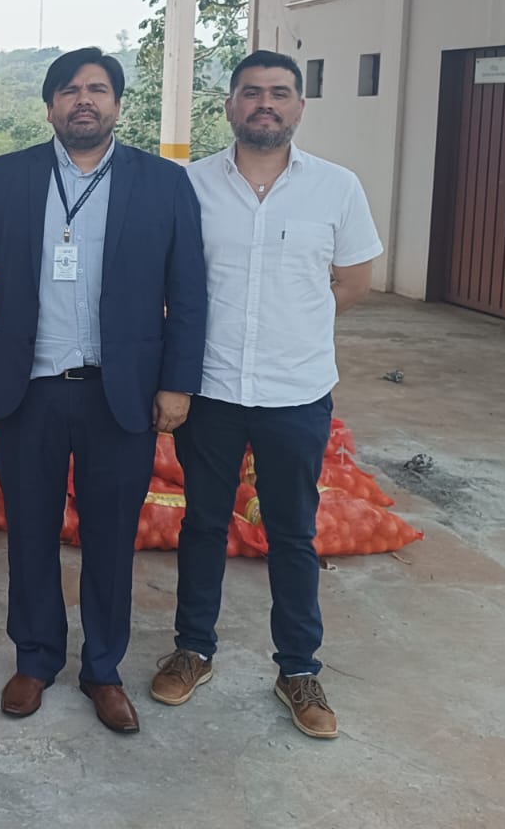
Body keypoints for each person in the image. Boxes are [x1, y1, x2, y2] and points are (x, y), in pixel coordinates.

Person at [0, 46, 206, 734]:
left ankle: (102, 669)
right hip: (29, 388)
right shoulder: (11, 176)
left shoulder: (162, 184)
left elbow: (188, 291)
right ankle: (35, 660)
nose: (84, 100)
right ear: (50, 106)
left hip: (118, 393)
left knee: (108, 538)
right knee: (30, 534)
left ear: (118, 105)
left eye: (98, 89)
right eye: (69, 90)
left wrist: (179, 385)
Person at [150, 50, 381, 740]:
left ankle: (299, 670)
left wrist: (293, 321)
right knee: (203, 523)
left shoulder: (337, 188)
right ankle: (193, 649)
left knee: (292, 532)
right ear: (229, 105)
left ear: (299, 107)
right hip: (212, 389)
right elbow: (169, 287)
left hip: (296, 391)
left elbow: (356, 283)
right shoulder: (188, 187)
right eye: (251, 93)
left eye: (280, 93)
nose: (265, 104)